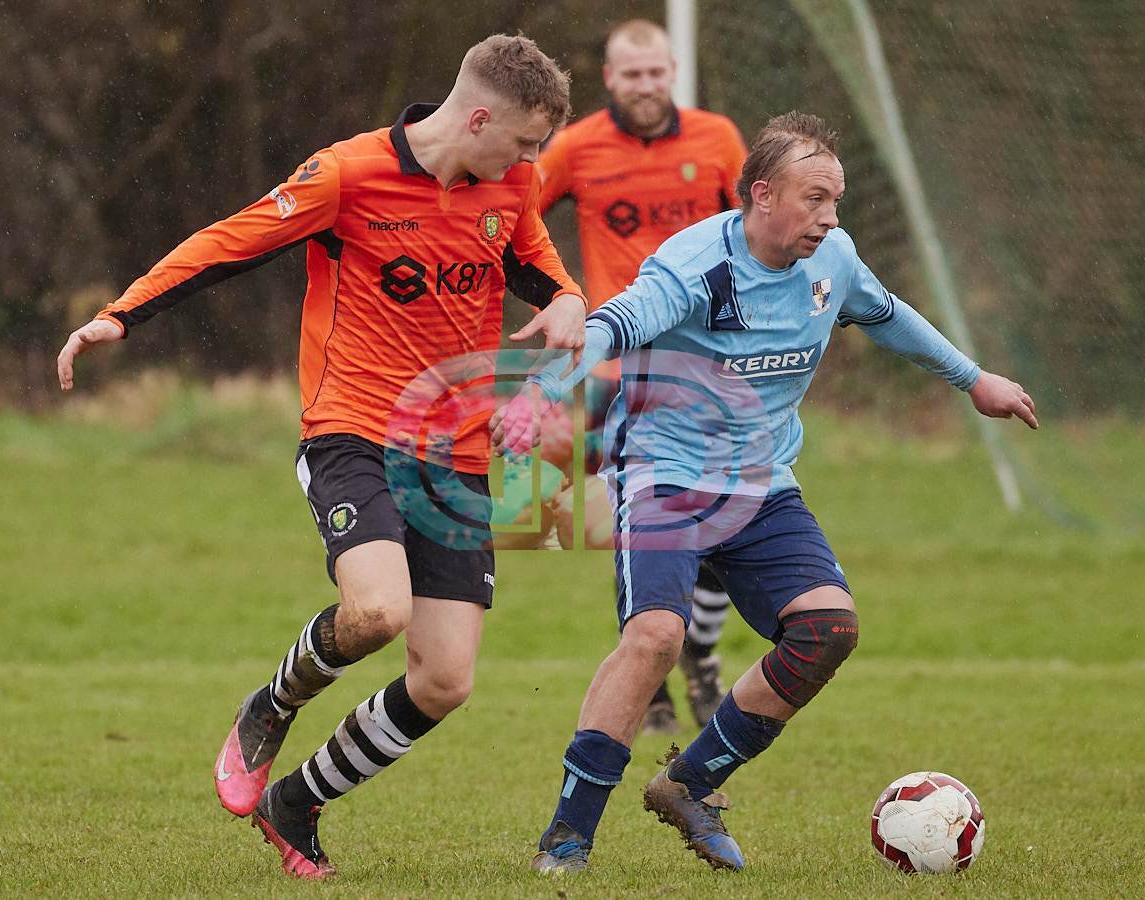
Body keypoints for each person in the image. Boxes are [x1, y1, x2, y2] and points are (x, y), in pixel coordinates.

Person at [56, 34, 587, 880]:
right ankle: (272, 705)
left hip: (456, 453)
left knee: (446, 681)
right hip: (354, 429)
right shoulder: (347, 174)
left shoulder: (511, 186)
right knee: (378, 612)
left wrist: (569, 301)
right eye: (525, 142)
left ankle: (296, 803)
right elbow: (228, 242)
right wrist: (122, 315)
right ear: (479, 119)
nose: (533, 162)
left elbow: (543, 270)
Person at [492, 111, 1037, 872]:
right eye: (815, 199)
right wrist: (540, 394)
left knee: (827, 629)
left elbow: (887, 316)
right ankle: (568, 835)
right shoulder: (694, 266)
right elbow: (613, 326)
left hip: (761, 483)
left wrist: (972, 379)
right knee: (655, 638)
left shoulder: (833, 260)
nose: (830, 217)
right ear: (762, 194)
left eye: (836, 200)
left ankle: (688, 783)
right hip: (666, 477)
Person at [536, 19, 749, 733]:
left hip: (710, 363)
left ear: (673, 71)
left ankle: (699, 651)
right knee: (643, 524)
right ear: (609, 78)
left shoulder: (718, 139)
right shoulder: (576, 147)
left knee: (726, 512)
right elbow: (513, 221)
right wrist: (560, 300)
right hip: (619, 369)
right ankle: (651, 674)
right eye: (632, 74)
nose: (646, 86)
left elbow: (756, 235)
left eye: (656, 72)